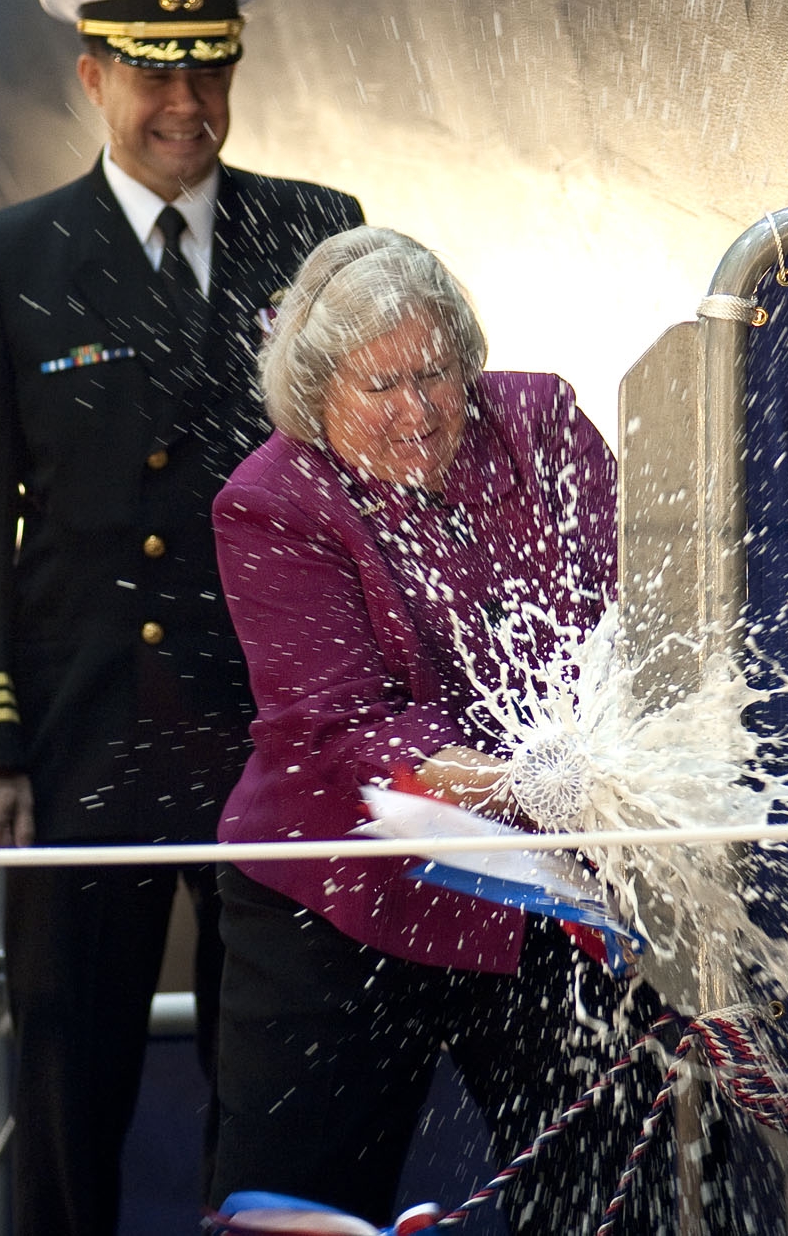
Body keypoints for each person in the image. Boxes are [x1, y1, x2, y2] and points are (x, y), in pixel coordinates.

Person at [0, 0, 362, 1233]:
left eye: (210, 71)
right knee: (73, 1078)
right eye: (157, 77)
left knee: (279, 1072)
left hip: (273, 726)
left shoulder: (318, 233)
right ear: (93, 77)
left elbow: (370, 488)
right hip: (89, 729)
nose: (189, 106)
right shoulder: (13, 259)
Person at [206, 227, 649, 1228]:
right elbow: (344, 732)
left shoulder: (538, 422)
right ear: (319, 396)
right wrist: (537, 785)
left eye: (438, 374)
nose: (418, 410)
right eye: (382, 386)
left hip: (543, 897)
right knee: (299, 1208)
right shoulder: (270, 499)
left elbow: (641, 614)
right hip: (339, 906)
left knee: (610, 1196)